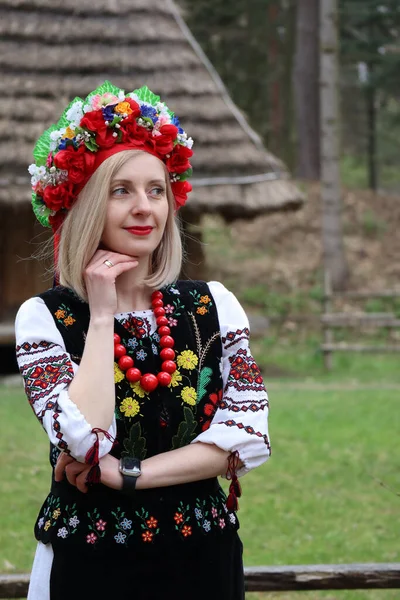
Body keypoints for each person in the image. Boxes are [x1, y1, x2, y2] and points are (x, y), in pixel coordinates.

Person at [15, 80, 271, 600]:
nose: (143, 207)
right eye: (121, 190)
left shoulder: (214, 305)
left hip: (203, 559)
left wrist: (126, 474)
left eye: (156, 190)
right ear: (87, 204)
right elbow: (84, 441)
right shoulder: (45, 318)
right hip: (90, 563)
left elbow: (242, 438)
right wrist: (103, 311)